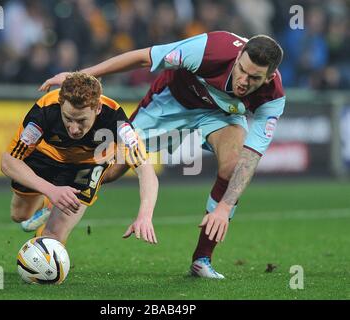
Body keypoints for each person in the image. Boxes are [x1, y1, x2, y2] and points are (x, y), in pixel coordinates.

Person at [39, 31, 285, 279]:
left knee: (233, 168)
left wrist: (224, 207)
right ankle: (52, 198)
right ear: (239, 56)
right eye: (241, 69)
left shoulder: (273, 98)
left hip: (220, 116)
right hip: (170, 103)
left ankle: (202, 260)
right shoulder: (209, 49)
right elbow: (143, 57)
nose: (243, 80)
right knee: (109, 169)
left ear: (269, 77)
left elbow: (250, 158)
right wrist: (82, 76)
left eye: (254, 78)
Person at [1, 72, 158, 245]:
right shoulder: (44, 110)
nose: (74, 129)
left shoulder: (116, 119)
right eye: (68, 118)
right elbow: (8, 162)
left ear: (98, 108)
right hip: (45, 155)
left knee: (52, 237)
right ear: (61, 104)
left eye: (82, 120)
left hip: (87, 165)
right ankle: (49, 203)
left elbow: (145, 170)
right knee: (20, 215)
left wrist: (145, 216)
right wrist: (50, 190)